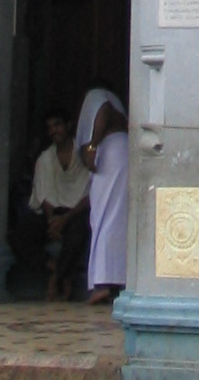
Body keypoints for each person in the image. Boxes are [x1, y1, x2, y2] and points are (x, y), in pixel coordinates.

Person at [29, 109, 93, 300]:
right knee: (21, 235)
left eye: (57, 125)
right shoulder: (45, 159)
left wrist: (66, 219)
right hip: (54, 214)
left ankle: (56, 278)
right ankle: (59, 269)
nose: (53, 131)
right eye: (49, 127)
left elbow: (91, 194)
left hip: (77, 213)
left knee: (78, 231)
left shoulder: (84, 155)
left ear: (68, 126)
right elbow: (44, 195)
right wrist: (53, 221)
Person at [76, 86, 129, 305]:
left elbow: (103, 110)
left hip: (111, 154)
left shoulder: (97, 96)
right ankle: (117, 280)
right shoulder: (115, 101)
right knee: (117, 216)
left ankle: (102, 284)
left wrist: (92, 146)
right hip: (121, 152)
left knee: (105, 216)